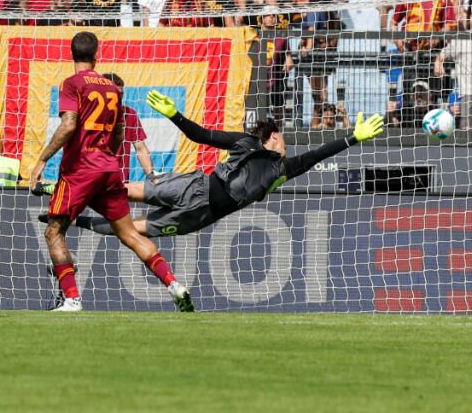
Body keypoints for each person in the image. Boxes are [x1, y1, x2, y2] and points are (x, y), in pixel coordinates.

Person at [52, 91, 385, 238]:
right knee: (128, 192)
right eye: (282, 137)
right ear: (271, 138)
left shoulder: (284, 169)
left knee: (135, 229)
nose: (287, 144)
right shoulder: (245, 142)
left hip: (202, 214)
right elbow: (201, 135)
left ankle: (79, 222)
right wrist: (174, 115)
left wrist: (352, 137)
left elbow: (317, 155)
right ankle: (66, 198)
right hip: (196, 185)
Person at [27, 32, 194, 312]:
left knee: (54, 232)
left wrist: (42, 159)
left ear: (72, 54)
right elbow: (118, 133)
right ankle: (174, 285)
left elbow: (69, 125)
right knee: (129, 234)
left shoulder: (71, 84)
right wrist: (107, 157)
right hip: (108, 168)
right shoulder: (113, 89)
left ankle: (72, 299)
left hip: (80, 170)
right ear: (96, 55)